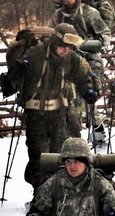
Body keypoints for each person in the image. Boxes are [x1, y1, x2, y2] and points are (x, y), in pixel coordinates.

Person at [16, 22, 96, 190]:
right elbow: (12, 81)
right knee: (41, 158)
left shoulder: (70, 58)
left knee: (61, 156)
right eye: (62, 47)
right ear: (54, 43)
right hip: (36, 114)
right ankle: (40, 195)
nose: (65, 50)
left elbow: (84, 77)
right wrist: (20, 71)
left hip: (59, 114)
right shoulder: (36, 54)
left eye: (68, 47)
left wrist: (88, 91)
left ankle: (57, 193)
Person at [49, 0, 112, 145]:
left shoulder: (90, 13)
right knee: (68, 97)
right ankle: (72, 136)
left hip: (89, 58)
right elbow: (50, 34)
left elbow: (105, 35)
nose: (68, 0)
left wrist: (90, 44)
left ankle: (97, 129)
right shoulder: (58, 16)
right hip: (67, 59)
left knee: (90, 94)